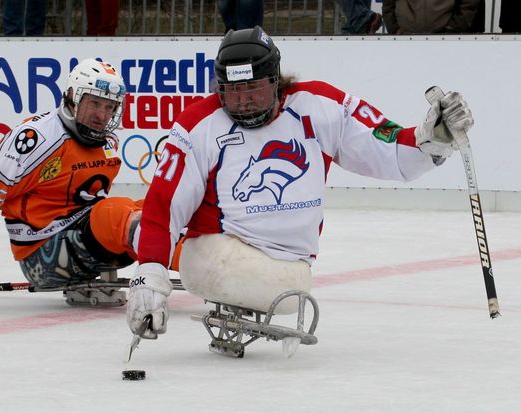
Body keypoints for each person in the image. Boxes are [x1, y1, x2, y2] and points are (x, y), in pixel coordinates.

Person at [126, 26, 474, 339]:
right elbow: (163, 208)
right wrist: (150, 277)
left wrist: (432, 137)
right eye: (233, 92)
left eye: (254, 90)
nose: (244, 103)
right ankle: (131, 232)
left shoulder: (319, 106)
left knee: (290, 289)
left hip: (293, 269)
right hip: (215, 255)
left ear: (276, 81)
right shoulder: (198, 125)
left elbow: (387, 149)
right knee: (281, 287)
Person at [0, 58, 143, 304]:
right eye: (94, 103)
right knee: (115, 214)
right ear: (73, 96)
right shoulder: (37, 139)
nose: (101, 115)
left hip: (78, 241)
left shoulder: (106, 143)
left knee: (150, 209)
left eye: (109, 108)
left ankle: (190, 256)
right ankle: (194, 267)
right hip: (42, 256)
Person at [382, 0, 481, 34]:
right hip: (405, 40)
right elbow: (388, 4)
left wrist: (452, 30)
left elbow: (469, 4)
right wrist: (395, 29)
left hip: (447, 41)